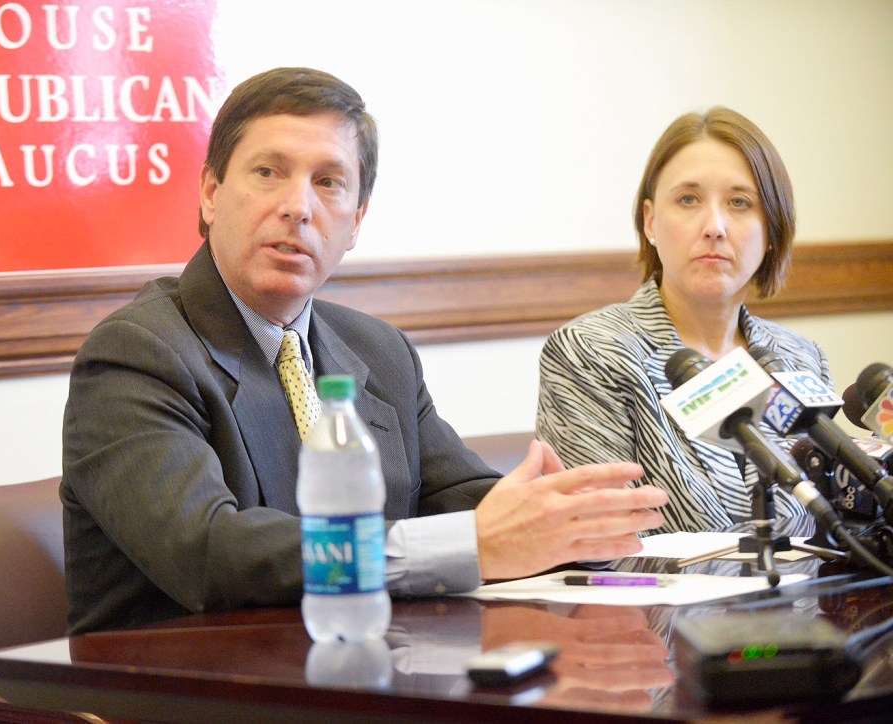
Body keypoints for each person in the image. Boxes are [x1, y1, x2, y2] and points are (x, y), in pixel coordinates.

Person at [61, 67, 667, 635]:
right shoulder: (138, 353)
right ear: (211, 194)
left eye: (328, 182)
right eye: (268, 172)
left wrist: (560, 524)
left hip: (360, 670)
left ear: (355, 223)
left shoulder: (378, 351)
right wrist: (478, 542)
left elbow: (458, 499)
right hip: (182, 689)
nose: (298, 206)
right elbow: (211, 553)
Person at [536, 107, 831, 534]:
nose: (714, 226)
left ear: (772, 230)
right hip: (657, 603)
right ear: (651, 221)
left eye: (740, 203)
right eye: (688, 199)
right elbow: (594, 543)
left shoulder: (800, 358)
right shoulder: (590, 352)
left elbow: (829, 525)